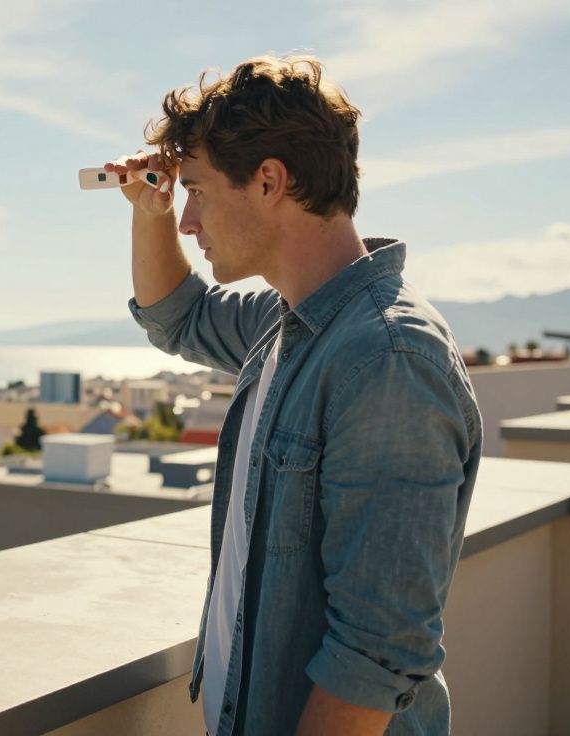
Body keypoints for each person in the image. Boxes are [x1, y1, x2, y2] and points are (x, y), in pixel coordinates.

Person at [112, 56, 481, 735]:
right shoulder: (285, 323)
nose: (190, 222)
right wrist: (152, 206)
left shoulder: (386, 359)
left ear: (270, 181)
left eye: (197, 191)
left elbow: (374, 655)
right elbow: (179, 316)